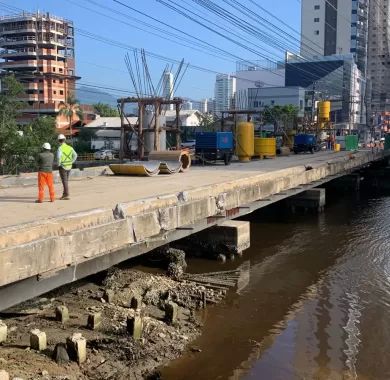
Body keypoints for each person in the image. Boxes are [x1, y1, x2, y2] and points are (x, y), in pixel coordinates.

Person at [57, 134, 77, 200]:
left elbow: (58, 157)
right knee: (66, 181)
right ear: (65, 140)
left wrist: (59, 164)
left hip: (63, 166)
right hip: (69, 166)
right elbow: (75, 155)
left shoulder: (60, 148)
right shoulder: (70, 147)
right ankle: (65, 193)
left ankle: (66, 194)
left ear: (58, 141)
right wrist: (71, 162)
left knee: (64, 181)